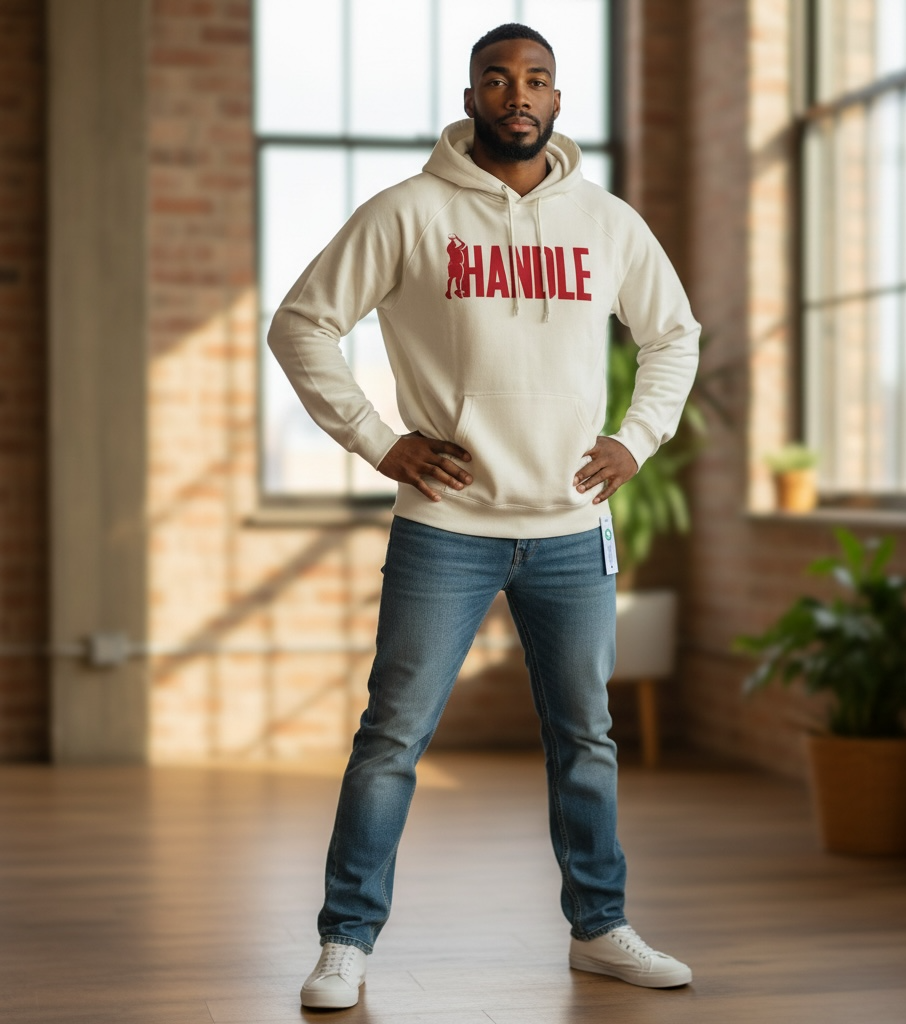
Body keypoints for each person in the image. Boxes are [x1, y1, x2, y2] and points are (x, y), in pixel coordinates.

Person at [268, 22, 701, 1011]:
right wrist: (380, 442)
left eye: (536, 79)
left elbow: (673, 334)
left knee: (585, 739)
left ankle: (599, 928)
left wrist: (636, 439)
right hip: (445, 528)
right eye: (498, 79)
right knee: (392, 736)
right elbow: (301, 324)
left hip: (571, 530)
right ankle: (345, 941)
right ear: (470, 99)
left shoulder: (605, 221)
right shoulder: (410, 212)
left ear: (557, 99)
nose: (518, 94)